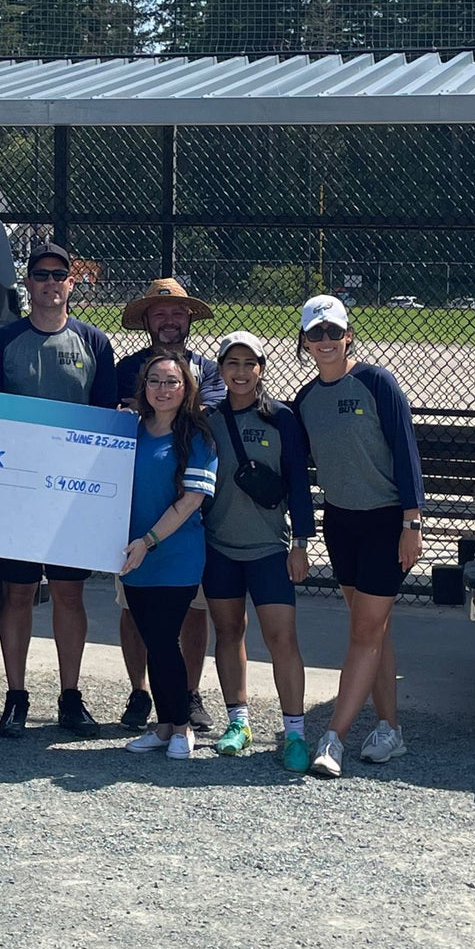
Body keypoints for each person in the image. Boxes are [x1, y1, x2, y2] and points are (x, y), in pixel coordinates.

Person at [0, 242, 118, 738]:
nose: (50, 283)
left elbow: (106, 421)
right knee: (17, 593)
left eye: (59, 275)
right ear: (28, 283)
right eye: (40, 275)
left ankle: (70, 696)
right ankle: (15, 696)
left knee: (68, 593)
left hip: (70, 495)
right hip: (17, 492)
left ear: (71, 282)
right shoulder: (1, 341)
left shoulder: (93, 342)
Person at [291, 295, 425, 779]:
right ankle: (390, 729)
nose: (325, 340)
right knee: (373, 629)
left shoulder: (376, 382)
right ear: (304, 341)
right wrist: (300, 537)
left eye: (334, 331)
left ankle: (334, 738)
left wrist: (412, 523)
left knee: (365, 631)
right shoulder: (306, 400)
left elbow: (405, 451)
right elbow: (295, 469)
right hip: (341, 523)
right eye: (316, 333)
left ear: (348, 335)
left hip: (386, 523)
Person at [115, 278, 225, 736]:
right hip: (131, 525)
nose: (169, 320)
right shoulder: (125, 368)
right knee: (135, 614)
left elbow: (207, 413)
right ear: (146, 320)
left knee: (190, 613)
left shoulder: (209, 371)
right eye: (159, 312)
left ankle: (186, 699)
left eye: (177, 312)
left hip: (184, 526)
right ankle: (143, 695)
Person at [203, 331, 315, 773]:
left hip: (269, 547)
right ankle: (238, 722)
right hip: (219, 546)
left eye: (250, 363)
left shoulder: (282, 419)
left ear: (262, 369)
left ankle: (295, 733)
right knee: (228, 632)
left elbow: (299, 485)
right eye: (232, 363)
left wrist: (301, 544)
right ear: (220, 370)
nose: (241, 372)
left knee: (282, 639)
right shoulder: (208, 420)